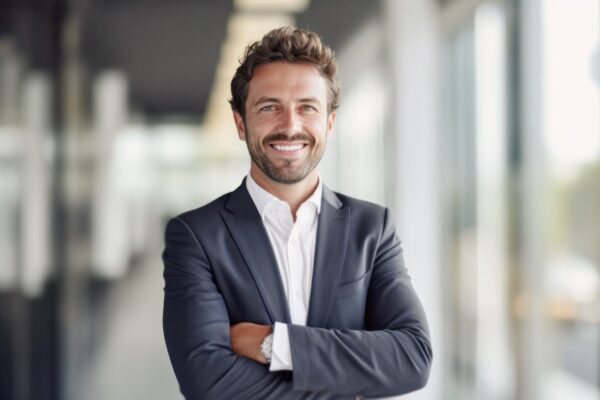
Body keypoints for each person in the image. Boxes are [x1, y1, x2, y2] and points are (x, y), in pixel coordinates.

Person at [162, 26, 432, 399]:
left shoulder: (372, 229)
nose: (290, 126)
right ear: (241, 123)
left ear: (330, 122)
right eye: (269, 107)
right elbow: (208, 382)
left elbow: (412, 358)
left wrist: (276, 344)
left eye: (307, 107)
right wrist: (343, 381)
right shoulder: (197, 236)